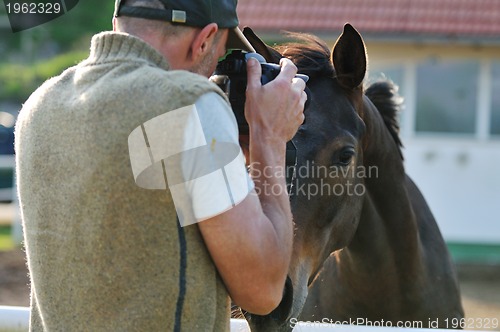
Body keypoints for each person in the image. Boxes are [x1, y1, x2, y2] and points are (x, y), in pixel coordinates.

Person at [15, 0, 306, 330]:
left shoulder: (41, 106)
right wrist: (270, 136)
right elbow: (263, 290)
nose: (215, 71)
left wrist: (228, 154)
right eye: (221, 54)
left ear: (118, 19)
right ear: (205, 40)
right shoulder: (188, 102)